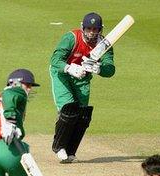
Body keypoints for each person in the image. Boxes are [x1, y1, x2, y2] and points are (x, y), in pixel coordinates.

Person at [49, 12, 115, 163]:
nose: (91, 32)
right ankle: (59, 148)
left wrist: (99, 69)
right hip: (62, 74)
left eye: (95, 29)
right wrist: (69, 68)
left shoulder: (104, 45)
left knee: (82, 116)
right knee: (68, 110)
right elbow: (55, 60)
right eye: (88, 28)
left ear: (101, 29)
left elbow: (110, 69)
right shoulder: (71, 38)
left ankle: (71, 151)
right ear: (82, 27)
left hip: (83, 78)